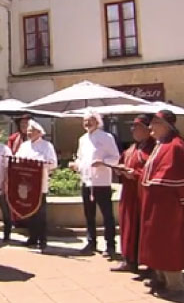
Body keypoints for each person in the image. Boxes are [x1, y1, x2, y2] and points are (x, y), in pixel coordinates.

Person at [140, 110, 184, 298]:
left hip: (167, 206)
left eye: (154, 123)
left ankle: (175, 285)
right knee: (155, 241)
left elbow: (183, 178)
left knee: (169, 242)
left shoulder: (176, 146)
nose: (150, 127)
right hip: (154, 203)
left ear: (166, 125)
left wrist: (183, 200)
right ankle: (160, 277)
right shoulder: (161, 144)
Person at [69, 110, 120, 258]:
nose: (87, 123)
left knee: (107, 215)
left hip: (102, 182)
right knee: (89, 215)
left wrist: (103, 162)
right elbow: (80, 157)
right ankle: (91, 242)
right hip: (87, 181)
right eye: (84, 120)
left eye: (90, 120)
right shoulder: (82, 139)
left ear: (97, 121)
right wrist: (76, 164)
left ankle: (110, 245)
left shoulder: (107, 137)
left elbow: (115, 158)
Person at [111, 115, 155, 273]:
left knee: (143, 229)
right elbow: (123, 161)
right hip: (129, 195)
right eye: (132, 127)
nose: (132, 130)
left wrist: (135, 174)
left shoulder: (153, 148)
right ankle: (128, 259)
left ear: (147, 130)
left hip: (143, 197)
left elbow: (153, 171)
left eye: (136, 127)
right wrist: (120, 169)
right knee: (128, 227)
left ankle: (149, 264)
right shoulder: (132, 148)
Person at [15, 119, 57, 250]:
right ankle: (32, 237)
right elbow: (17, 160)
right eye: (27, 130)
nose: (29, 133)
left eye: (31, 131)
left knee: (40, 213)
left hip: (40, 184)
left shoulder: (47, 146)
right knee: (29, 212)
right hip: (26, 185)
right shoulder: (24, 146)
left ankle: (42, 239)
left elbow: (53, 163)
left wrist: (39, 164)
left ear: (39, 132)